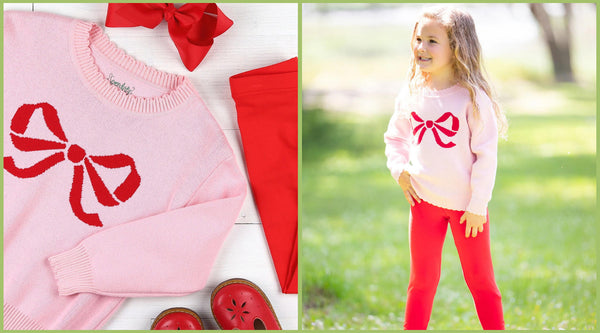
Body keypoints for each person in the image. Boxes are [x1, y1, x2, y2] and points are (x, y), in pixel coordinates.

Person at [383, 6, 508, 330]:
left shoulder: (472, 97)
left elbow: (486, 156)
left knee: (481, 282)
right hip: (423, 203)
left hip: (468, 209)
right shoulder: (412, 92)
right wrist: (399, 170)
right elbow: (395, 137)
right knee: (420, 283)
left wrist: (478, 205)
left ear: (456, 47)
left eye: (432, 41)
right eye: (419, 39)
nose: (421, 48)